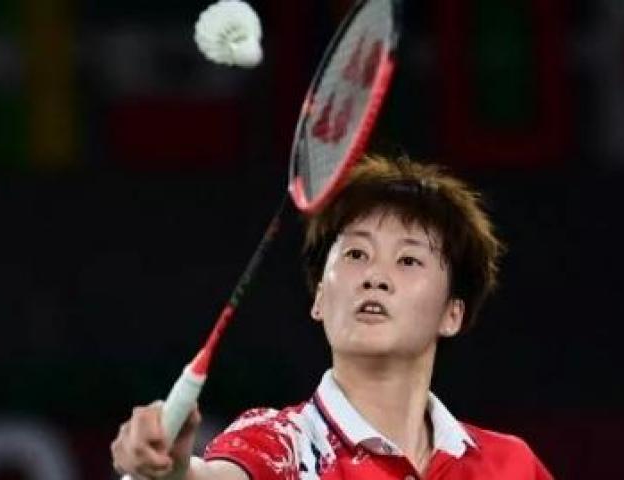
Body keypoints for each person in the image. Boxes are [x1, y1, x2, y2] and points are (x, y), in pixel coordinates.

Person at [111, 154, 554, 479]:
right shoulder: (282, 446)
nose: (375, 277)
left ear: (452, 314)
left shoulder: (509, 465)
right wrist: (168, 472)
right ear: (320, 297)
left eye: (408, 260)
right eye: (357, 253)